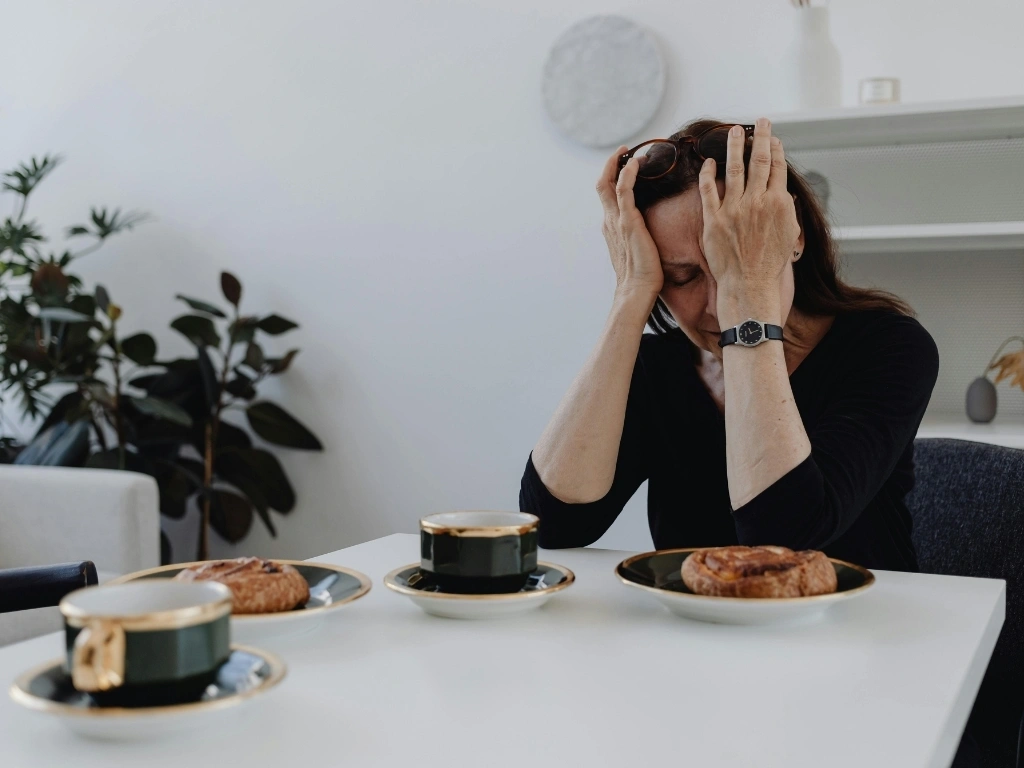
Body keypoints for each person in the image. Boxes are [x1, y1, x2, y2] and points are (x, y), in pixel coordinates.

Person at [519, 117, 939, 572]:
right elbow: (553, 526)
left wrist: (750, 298)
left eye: (731, 262)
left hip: (864, 628)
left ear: (793, 233)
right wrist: (630, 293)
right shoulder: (659, 366)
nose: (719, 306)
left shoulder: (888, 347)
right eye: (682, 277)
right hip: (697, 632)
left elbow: (782, 541)